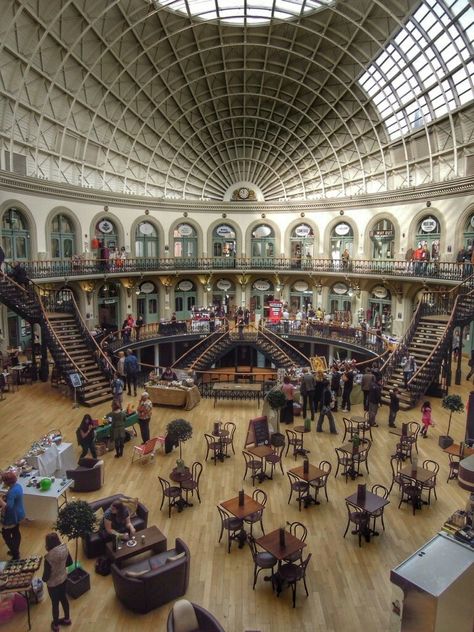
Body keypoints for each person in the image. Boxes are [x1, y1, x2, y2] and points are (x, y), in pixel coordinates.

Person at [42, 532, 72, 632]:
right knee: (64, 599)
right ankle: (67, 619)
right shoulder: (65, 549)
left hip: (53, 585)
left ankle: (55, 625)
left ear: (48, 544)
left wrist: (43, 579)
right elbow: (69, 563)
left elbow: (46, 577)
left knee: (55, 603)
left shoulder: (48, 558)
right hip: (63, 579)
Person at [0, 471, 25, 560]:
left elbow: (8, 507)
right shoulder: (18, 486)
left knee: (6, 534)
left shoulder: (12, 492)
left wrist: (0, 500)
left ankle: (15, 553)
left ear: (7, 482)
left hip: (11, 516)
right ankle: (15, 550)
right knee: (15, 531)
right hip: (19, 513)